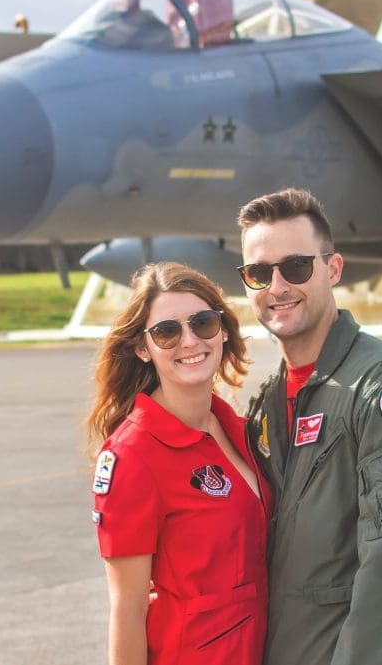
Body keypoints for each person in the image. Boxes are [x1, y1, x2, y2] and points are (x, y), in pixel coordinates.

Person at [238, 188, 382, 665]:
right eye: (258, 273)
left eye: (295, 267)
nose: (277, 287)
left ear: (332, 269)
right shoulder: (268, 402)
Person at [84, 262, 271, 665]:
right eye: (166, 332)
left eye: (202, 323)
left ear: (222, 331)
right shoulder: (133, 456)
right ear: (142, 348)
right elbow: (128, 611)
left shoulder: (238, 430)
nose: (189, 341)